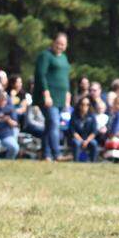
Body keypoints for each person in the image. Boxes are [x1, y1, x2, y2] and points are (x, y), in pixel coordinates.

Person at [33, 32, 71, 161]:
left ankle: (45, 154)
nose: (60, 46)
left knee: (50, 126)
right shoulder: (45, 56)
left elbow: (65, 77)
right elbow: (40, 75)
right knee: (54, 123)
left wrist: (68, 94)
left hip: (60, 97)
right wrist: (46, 93)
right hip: (48, 97)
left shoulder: (64, 58)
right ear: (53, 43)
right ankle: (57, 154)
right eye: (58, 43)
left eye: (63, 44)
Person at [70, 97, 101, 162]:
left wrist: (87, 141)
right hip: (77, 138)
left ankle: (93, 162)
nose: (85, 106)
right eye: (83, 104)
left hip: (88, 139)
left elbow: (94, 131)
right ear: (79, 105)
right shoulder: (74, 116)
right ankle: (76, 162)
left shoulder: (92, 116)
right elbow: (73, 131)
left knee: (94, 143)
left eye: (87, 104)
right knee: (77, 143)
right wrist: (81, 140)